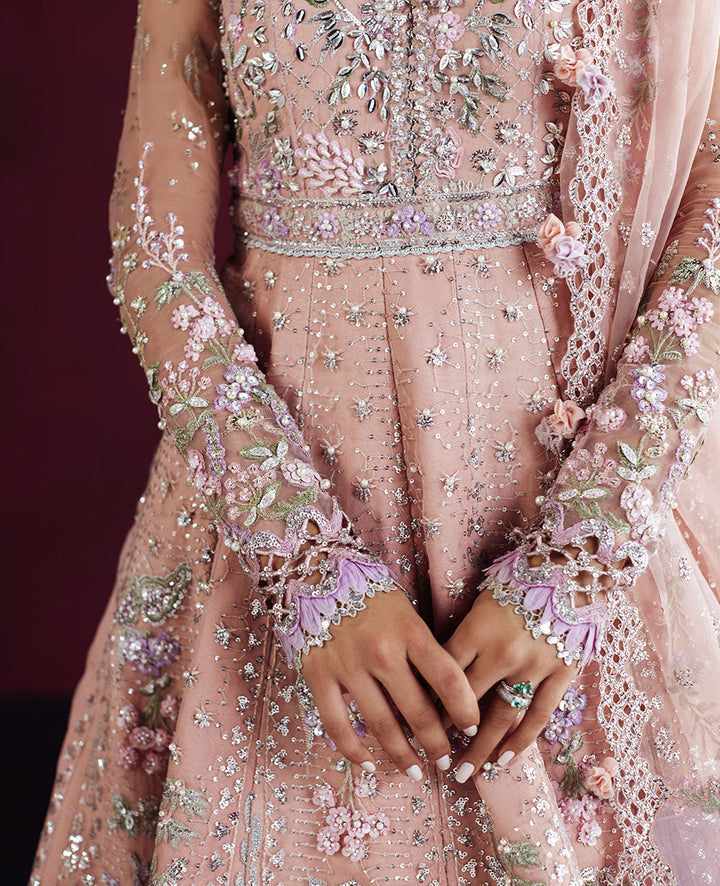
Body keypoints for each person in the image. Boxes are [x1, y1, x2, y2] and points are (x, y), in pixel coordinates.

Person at [31, 0, 720, 883]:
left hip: (552, 532)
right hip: (267, 524)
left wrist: (582, 554)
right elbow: (156, 246)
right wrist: (302, 561)